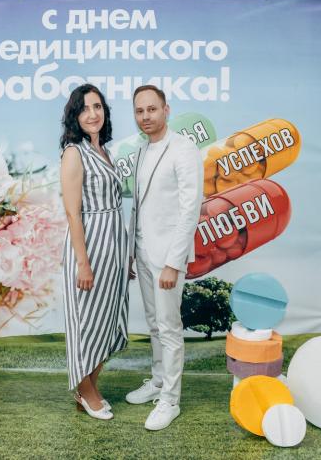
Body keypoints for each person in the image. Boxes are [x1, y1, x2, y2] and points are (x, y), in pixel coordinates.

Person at [126, 85, 203, 430]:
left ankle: (170, 400)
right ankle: (158, 382)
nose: (146, 116)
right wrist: (132, 252)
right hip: (143, 252)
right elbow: (139, 206)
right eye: (139, 111)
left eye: (152, 109)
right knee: (154, 323)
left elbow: (190, 209)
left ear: (166, 110)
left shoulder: (183, 148)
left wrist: (174, 262)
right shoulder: (143, 149)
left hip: (168, 257)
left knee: (169, 328)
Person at [60, 84, 129, 421]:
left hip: (113, 247)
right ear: (75, 116)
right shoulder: (74, 153)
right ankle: (86, 390)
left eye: (97, 106)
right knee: (87, 322)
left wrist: (125, 254)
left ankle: (87, 388)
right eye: (85, 108)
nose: (92, 114)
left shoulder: (104, 151)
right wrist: (83, 263)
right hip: (89, 247)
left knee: (107, 319)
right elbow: (73, 212)